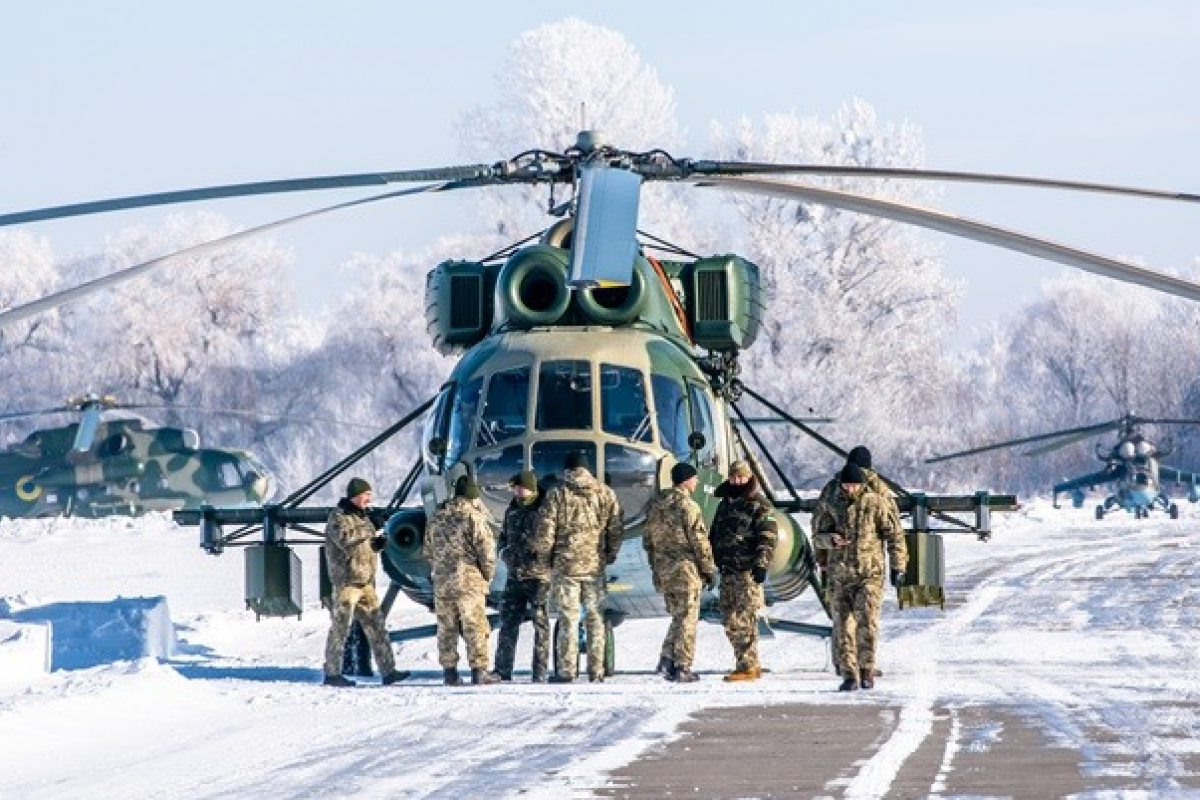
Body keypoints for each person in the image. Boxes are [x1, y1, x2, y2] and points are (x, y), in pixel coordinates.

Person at [813, 462, 907, 691]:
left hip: (869, 574)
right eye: (846, 485)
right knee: (843, 625)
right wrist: (830, 541)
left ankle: (867, 670)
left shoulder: (875, 502)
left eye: (854, 485)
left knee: (867, 622)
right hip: (840, 575)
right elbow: (818, 535)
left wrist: (898, 567)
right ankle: (849, 674)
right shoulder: (832, 503)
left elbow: (894, 535)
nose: (850, 489)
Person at [533, 451, 623, 683]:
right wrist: (610, 553)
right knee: (595, 618)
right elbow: (615, 528)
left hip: (566, 568)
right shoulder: (605, 493)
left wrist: (545, 561)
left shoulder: (557, 494)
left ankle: (566, 671)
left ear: (567, 469)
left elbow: (545, 533)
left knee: (569, 619)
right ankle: (597, 670)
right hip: (594, 566)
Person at [321, 477, 409, 687]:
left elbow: (362, 546)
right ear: (355, 496)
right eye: (365, 495)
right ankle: (332, 673)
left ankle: (389, 671)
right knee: (340, 628)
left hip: (366, 582)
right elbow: (345, 539)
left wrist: (376, 545)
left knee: (376, 626)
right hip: (347, 583)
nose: (369, 499)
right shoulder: (338, 517)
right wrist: (370, 530)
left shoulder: (363, 518)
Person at [643, 461, 717, 683]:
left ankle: (666, 660)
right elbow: (699, 541)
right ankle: (683, 666)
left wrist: (657, 567)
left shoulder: (656, 505)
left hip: (664, 570)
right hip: (685, 570)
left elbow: (648, 542)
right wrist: (709, 569)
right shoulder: (688, 506)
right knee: (688, 618)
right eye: (694, 478)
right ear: (686, 480)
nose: (696, 482)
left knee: (678, 615)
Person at [423, 474, 500, 686]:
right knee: (474, 626)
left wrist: (440, 570)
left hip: (442, 584)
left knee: (446, 628)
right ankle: (479, 671)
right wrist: (487, 575)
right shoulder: (473, 517)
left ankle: (450, 673)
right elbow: (487, 552)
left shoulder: (437, 516)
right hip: (469, 583)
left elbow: (428, 551)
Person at [708, 460, 777, 682]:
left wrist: (761, 565)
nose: (737, 481)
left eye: (741, 477)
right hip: (728, 571)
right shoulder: (725, 504)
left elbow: (767, 537)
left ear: (749, 478)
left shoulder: (759, 505)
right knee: (729, 618)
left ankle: (747, 665)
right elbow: (715, 533)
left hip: (747, 571)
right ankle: (747, 662)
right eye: (733, 477)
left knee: (744, 617)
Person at [490, 470, 551, 682]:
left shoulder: (545, 510)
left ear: (530, 488)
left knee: (540, 624)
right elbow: (503, 537)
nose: (516, 491)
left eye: (519, 487)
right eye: (515, 488)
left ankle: (540, 672)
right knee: (508, 622)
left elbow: (551, 540)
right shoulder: (512, 510)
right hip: (514, 576)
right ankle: (502, 670)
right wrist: (503, 553)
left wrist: (540, 555)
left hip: (538, 577)